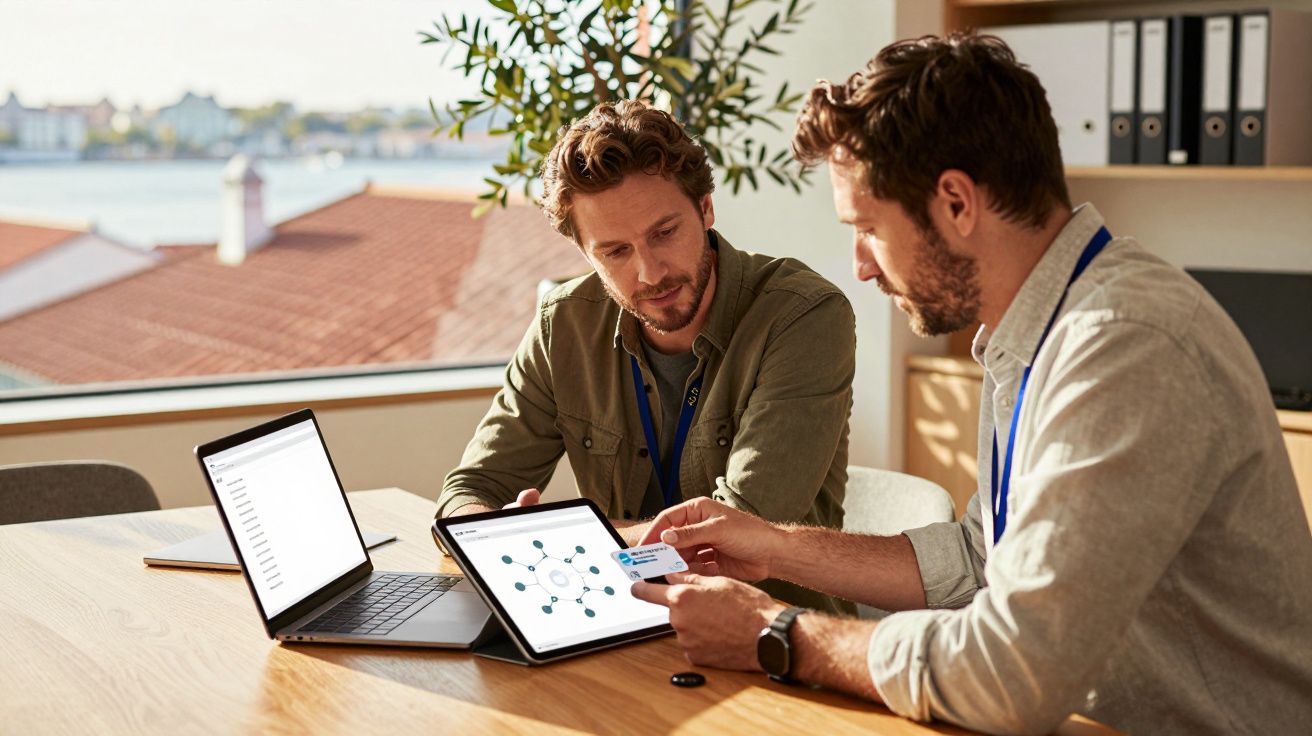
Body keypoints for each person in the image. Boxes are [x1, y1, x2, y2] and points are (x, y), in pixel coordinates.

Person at [629, 33, 1312, 735]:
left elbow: (1010, 674)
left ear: (956, 202)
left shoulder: (1123, 346)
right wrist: (774, 546)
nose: (860, 266)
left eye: (867, 229)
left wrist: (777, 633)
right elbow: (979, 558)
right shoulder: (1034, 329)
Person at [434, 99, 857, 614]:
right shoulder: (563, 324)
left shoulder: (804, 316)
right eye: (615, 252)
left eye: (664, 233)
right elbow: (469, 490)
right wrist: (488, 529)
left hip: (773, 641)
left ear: (705, 208)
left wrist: (552, 542)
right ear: (586, 253)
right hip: (613, 626)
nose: (650, 272)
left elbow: (733, 537)